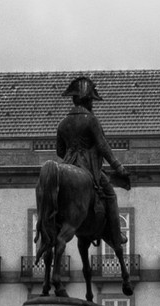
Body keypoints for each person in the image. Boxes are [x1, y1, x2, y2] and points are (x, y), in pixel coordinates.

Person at [55, 76, 130, 245]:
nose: (92, 104)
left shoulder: (62, 123)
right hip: (88, 167)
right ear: (88, 100)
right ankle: (116, 235)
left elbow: (59, 151)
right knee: (110, 195)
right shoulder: (91, 120)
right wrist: (118, 167)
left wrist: (70, 157)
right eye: (91, 101)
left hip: (66, 165)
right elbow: (103, 146)